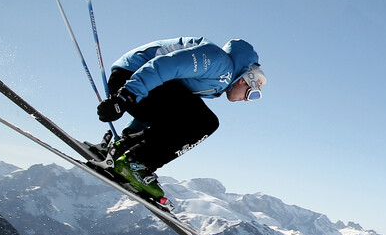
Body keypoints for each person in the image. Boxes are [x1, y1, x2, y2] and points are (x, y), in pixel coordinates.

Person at [95, 36, 266, 201]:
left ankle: (123, 150)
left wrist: (131, 133)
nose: (246, 100)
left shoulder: (219, 82)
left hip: (137, 81)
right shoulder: (219, 63)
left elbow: (167, 109)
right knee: (205, 122)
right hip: (132, 76)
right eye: (252, 94)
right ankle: (134, 163)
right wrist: (126, 97)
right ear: (245, 80)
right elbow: (166, 65)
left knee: (191, 119)